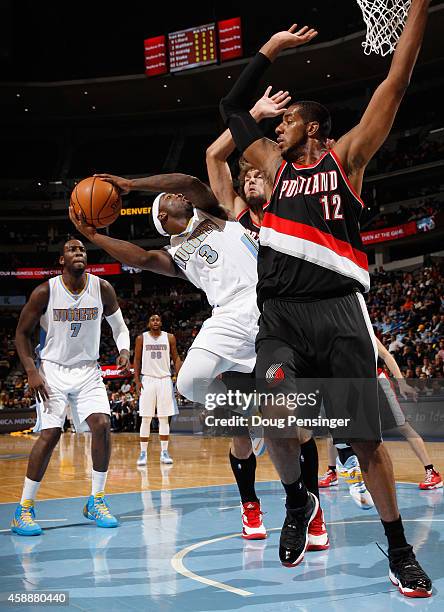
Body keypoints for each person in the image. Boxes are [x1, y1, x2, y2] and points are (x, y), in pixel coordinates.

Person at [220, 0, 432, 596]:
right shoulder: (268, 165)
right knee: (276, 416)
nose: (276, 124)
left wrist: (417, 6)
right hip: (281, 316)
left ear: (313, 126)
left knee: (366, 443)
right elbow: (233, 106)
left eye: (288, 120)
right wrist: (272, 47)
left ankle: (398, 550)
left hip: (339, 313)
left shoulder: (349, 159)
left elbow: (398, 77)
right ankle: (297, 499)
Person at [69, 164, 327, 548]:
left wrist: (131, 181)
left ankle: (312, 513)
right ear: (163, 217)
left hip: (269, 305)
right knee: (189, 382)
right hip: (226, 314)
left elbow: (190, 183)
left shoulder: (216, 215)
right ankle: (248, 415)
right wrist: (93, 235)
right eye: (170, 201)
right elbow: (138, 257)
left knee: (291, 425)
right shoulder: (174, 254)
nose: (180, 197)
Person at [206, 91, 328, 549]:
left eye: (262, 173)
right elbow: (214, 155)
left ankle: (309, 514)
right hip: (239, 332)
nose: (254, 178)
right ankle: (250, 507)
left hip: (287, 330)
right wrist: (251, 114)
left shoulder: (290, 209)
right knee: (237, 426)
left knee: (297, 429)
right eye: (249, 174)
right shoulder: (236, 217)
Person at [11, 238, 130, 535]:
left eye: (82, 250)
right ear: (61, 261)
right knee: (50, 435)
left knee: (102, 424)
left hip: (88, 369)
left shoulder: (102, 288)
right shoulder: (44, 292)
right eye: (72, 250)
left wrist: (124, 350)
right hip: (52, 369)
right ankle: (23, 509)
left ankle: (96, 500)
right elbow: (21, 335)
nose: (79, 253)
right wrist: (31, 371)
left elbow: (119, 327)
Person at [321, 337, 442, 493]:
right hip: (354, 386)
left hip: (378, 382)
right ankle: (332, 471)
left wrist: (402, 382)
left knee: (403, 427)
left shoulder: (364, 330)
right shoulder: (334, 335)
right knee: (336, 425)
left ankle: (431, 471)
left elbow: (386, 355)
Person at [134, 313, 182, 466]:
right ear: (149, 323)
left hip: (164, 380)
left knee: (164, 418)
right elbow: (136, 359)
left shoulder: (169, 338)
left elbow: (176, 358)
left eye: (157, 319)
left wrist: (179, 377)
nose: (155, 321)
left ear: (161, 322)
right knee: (146, 418)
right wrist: (136, 380)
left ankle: (164, 452)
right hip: (147, 379)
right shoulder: (141, 338)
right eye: (152, 319)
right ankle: (143, 453)